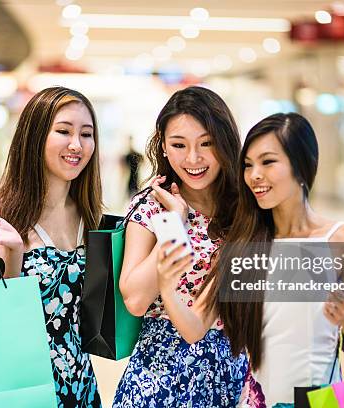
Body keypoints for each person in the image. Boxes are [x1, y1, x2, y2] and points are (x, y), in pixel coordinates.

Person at [154, 113, 344, 407]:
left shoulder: (343, 240)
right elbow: (194, 328)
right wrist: (167, 288)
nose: (254, 175)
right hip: (258, 400)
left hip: (319, 400)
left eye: (268, 162)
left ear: (302, 166)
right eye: (248, 165)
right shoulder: (243, 245)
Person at [0, 87, 103, 407]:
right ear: (36, 137)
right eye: (64, 131)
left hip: (81, 380)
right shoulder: (4, 213)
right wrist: (12, 253)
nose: (76, 145)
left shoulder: (90, 215)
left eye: (86, 134)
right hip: (24, 384)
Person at [114, 86, 248, 407]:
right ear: (162, 145)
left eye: (207, 143)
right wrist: (175, 225)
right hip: (163, 374)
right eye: (179, 145)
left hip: (232, 370)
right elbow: (134, 298)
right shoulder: (152, 205)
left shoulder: (244, 208)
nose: (193, 158)